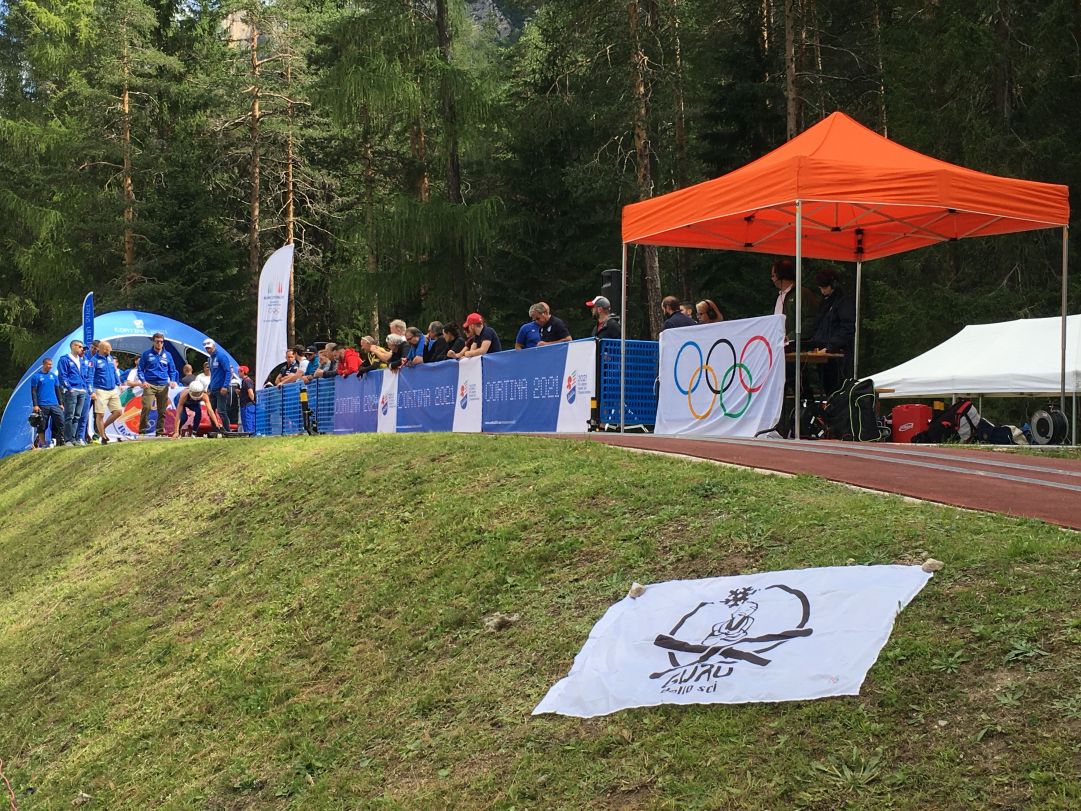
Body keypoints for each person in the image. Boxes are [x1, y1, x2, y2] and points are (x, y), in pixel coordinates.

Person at [810, 266, 857, 394]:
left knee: (835, 389)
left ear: (833, 285)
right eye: (820, 287)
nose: (821, 290)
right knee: (826, 388)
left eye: (824, 287)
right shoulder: (824, 302)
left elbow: (847, 329)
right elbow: (818, 326)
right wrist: (814, 343)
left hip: (837, 355)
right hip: (823, 352)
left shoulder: (843, 301)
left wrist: (831, 346)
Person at [136, 332, 179, 437]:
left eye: (161, 342)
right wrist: (143, 381)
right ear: (153, 342)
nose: (159, 344)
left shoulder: (168, 355)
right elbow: (140, 370)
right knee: (146, 407)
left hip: (163, 385)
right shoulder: (146, 354)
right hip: (150, 384)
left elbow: (172, 370)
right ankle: (142, 431)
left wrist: (173, 380)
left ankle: (159, 432)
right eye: (157, 341)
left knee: (162, 410)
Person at [770, 258, 816, 347]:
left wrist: (791, 337)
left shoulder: (802, 293)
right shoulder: (779, 297)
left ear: (780, 275)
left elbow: (812, 320)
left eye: (773, 275)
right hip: (779, 347)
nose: (772, 279)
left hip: (796, 347)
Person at [57, 340, 89, 446]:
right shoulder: (64, 359)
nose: (81, 349)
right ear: (73, 346)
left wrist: (85, 387)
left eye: (82, 347)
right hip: (72, 390)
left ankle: (74, 438)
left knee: (77, 416)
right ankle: (68, 440)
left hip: (82, 390)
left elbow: (86, 374)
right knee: (69, 415)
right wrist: (69, 387)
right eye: (80, 347)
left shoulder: (83, 360)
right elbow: (62, 375)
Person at [91, 340, 124, 443]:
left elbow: (114, 372)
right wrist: (91, 391)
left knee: (118, 412)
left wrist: (119, 384)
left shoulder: (109, 358)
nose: (111, 350)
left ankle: (101, 428)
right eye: (109, 349)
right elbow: (90, 376)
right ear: (104, 349)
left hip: (112, 389)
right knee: (100, 414)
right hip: (100, 390)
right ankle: (103, 437)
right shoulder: (94, 360)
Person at [30, 357, 65, 447]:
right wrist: (35, 405)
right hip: (42, 404)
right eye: (48, 364)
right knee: (42, 425)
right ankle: (43, 443)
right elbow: (33, 391)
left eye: (51, 364)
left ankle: (60, 441)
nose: (50, 366)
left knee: (61, 422)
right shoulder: (36, 376)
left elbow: (57, 390)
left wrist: (60, 403)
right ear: (44, 364)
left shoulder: (53, 376)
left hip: (54, 403)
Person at [204, 338, 234, 428]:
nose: (208, 349)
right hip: (213, 389)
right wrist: (209, 387)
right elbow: (213, 375)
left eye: (209, 347)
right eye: (206, 348)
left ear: (214, 346)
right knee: (210, 411)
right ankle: (216, 429)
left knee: (221, 411)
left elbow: (228, 372)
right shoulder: (209, 359)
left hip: (221, 388)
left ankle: (227, 430)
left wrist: (225, 386)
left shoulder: (221, 356)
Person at [238, 365, 257, 433]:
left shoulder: (247, 381)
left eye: (239, 371)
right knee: (247, 422)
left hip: (248, 405)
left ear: (243, 372)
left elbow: (250, 392)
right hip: (246, 405)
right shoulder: (244, 381)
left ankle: (250, 435)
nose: (238, 373)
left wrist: (252, 400)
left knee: (248, 421)